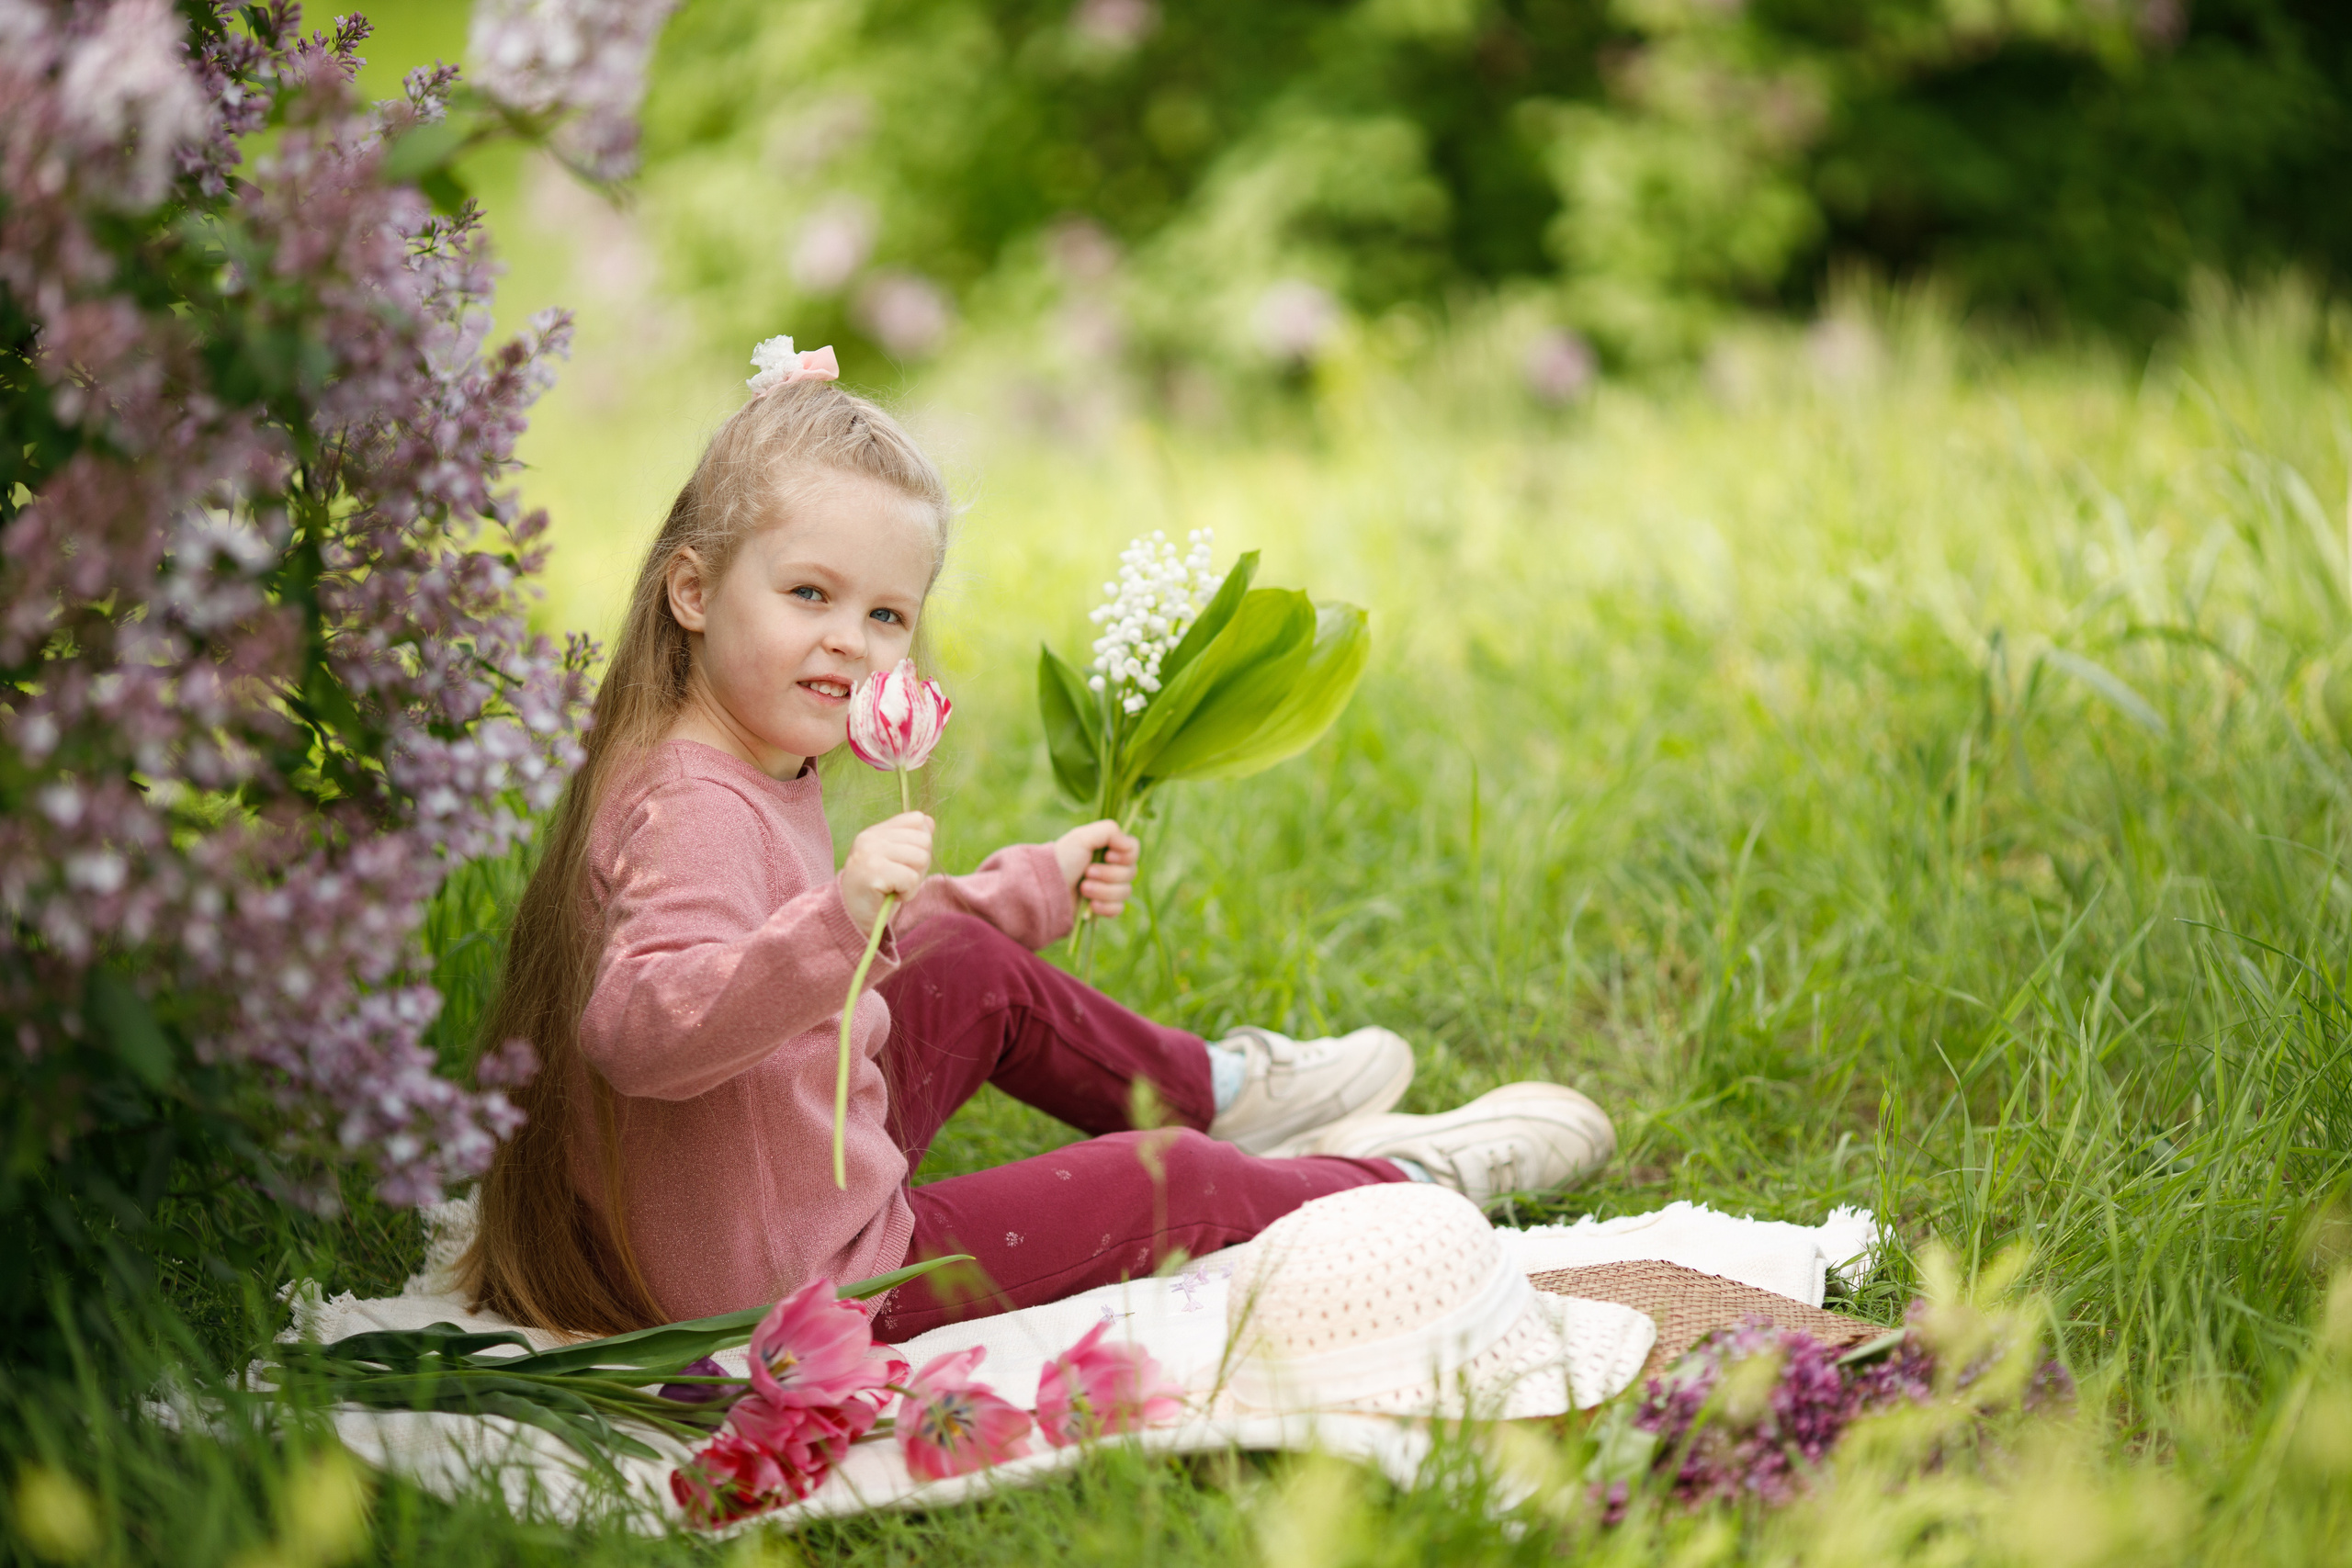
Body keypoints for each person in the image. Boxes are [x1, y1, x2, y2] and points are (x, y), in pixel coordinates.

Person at [458, 344, 1615, 1341]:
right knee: (1174, 1185)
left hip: (756, 1182)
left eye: (885, 615)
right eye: (808, 592)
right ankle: (1395, 1185)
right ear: (694, 590)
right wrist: (837, 919)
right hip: (798, 1286)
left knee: (967, 973)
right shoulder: (697, 806)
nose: (850, 644)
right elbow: (639, 1031)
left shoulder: (731, 753)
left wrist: (1030, 887)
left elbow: (841, 957)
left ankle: (1215, 1087)